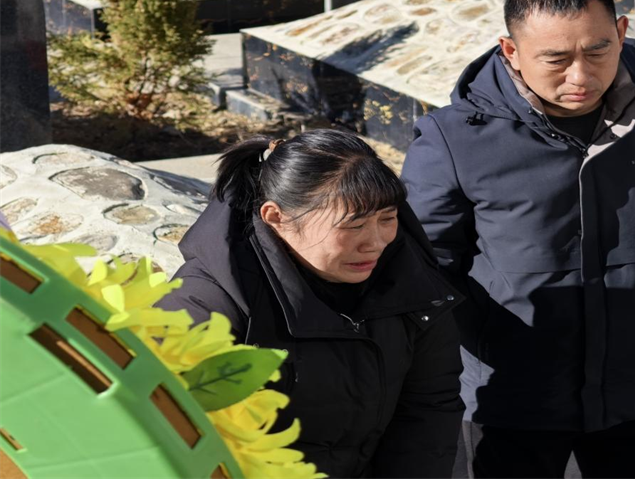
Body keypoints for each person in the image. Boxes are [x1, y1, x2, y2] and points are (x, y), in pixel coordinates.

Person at [401, 0, 635, 478]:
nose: (580, 76)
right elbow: (426, 274)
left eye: (598, 51)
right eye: (556, 59)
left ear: (621, 33)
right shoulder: (453, 138)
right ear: (511, 50)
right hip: (512, 400)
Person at [157, 131, 465, 479]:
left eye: (387, 218)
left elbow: (429, 408)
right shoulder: (214, 299)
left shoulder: (411, 284)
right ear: (276, 217)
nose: (376, 242)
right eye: (354, 224)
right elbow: (165, 423)